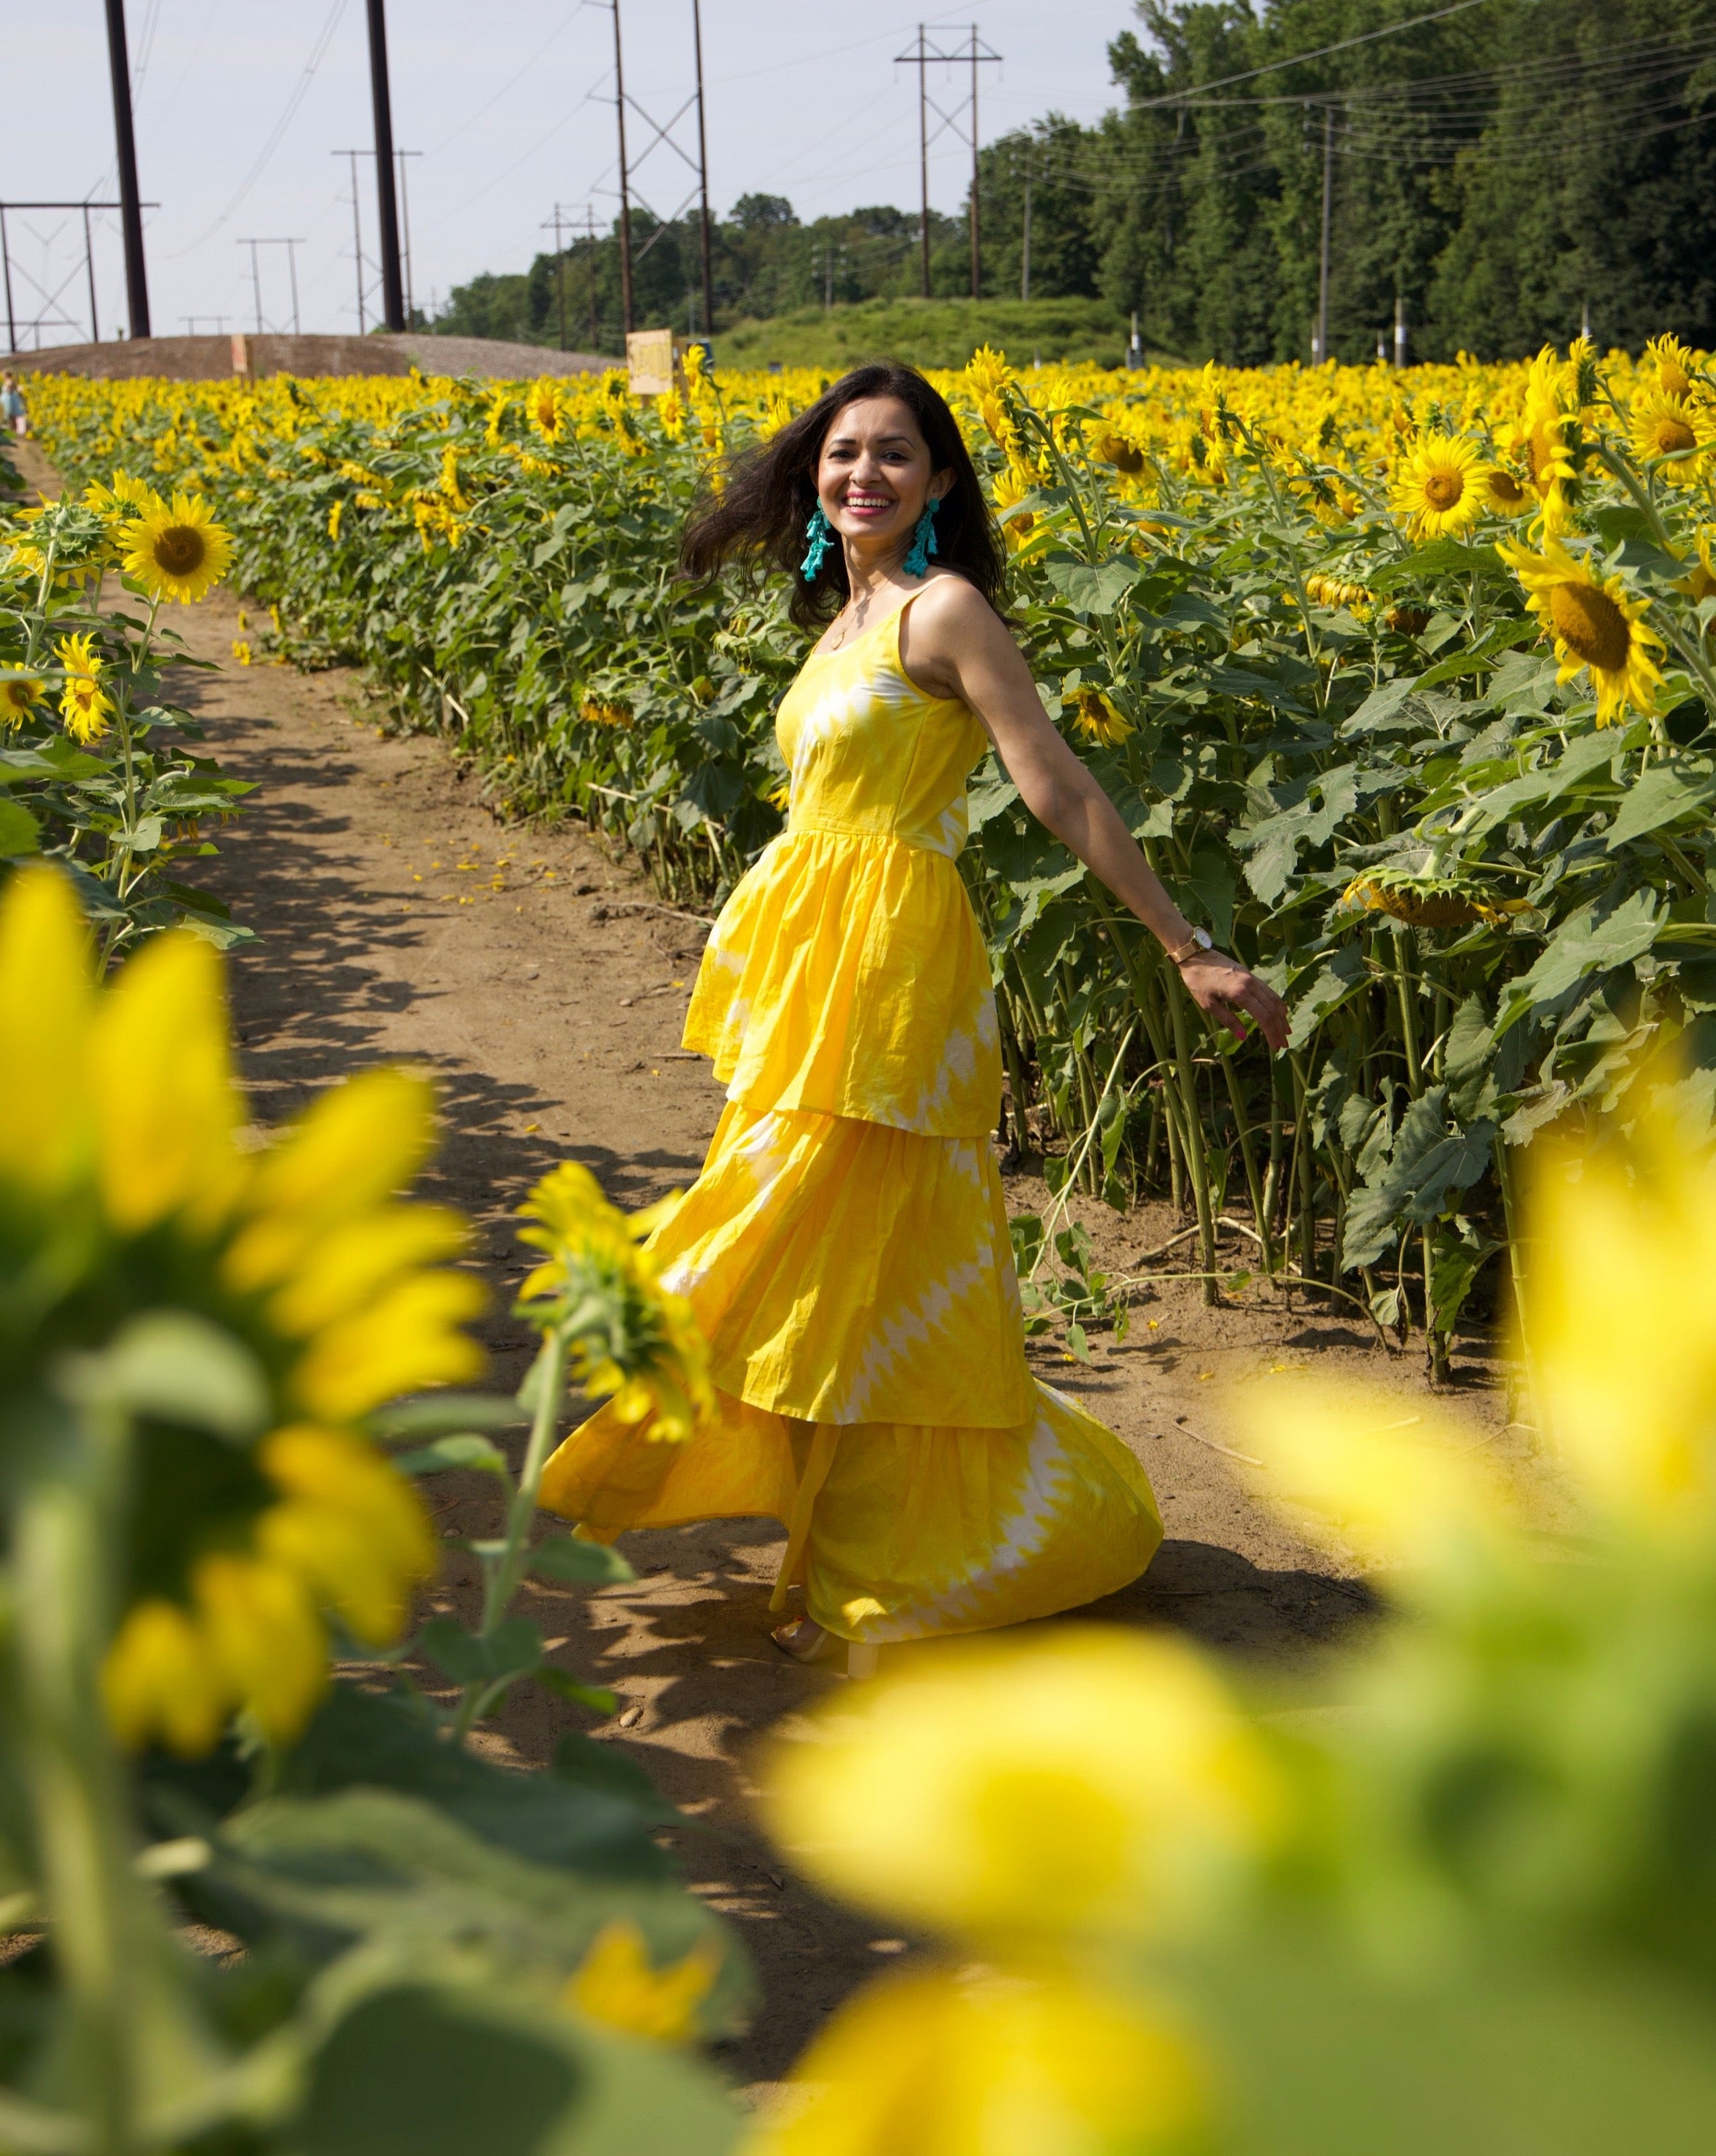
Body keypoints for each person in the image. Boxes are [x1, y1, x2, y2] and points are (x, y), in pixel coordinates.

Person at [537, 361, 1288, 1672]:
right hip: (815, 954)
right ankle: (853, 1543)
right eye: (842, 455)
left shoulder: (945, 615)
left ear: (939, 480)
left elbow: (1057, 784)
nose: (861, 474)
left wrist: (1187, 947)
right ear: (814, 478)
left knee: (812, 1214)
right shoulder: (840, 618)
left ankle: (830, 1494)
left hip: (892, 964)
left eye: (893, 454)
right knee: (852, 1256)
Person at [1, 373, 26, 441]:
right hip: (8, 399)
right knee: (11, 417)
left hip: (10, 400)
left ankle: (13, 432)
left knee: (11, 416)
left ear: (7, 376)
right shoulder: (9, 382)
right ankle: (13, 432)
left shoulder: (10, 382)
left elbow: (9, 391)